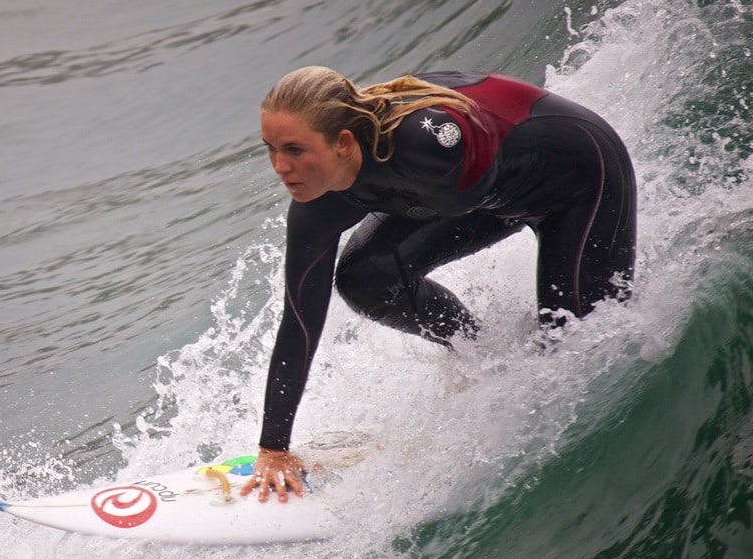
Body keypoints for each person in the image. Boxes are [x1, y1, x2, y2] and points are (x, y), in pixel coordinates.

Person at [240, 67, 637, 502]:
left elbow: (471, 113)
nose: (280, 167)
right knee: (365, 280)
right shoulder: (317, 207)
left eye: (295, 150)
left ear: (344, 143)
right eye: (271, 149)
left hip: (580, 179)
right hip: (488, 197)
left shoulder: (426, 144)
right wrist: (273, 448)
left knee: (578, 351)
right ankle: (485, 354)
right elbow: (299, 320)